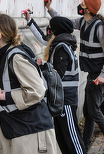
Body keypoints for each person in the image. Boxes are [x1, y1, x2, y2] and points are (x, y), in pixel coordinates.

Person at [0, 12, 57, 154]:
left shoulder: (16, 57)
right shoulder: (4, 53)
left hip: (29, 132)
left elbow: (38, 90)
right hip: (16, 128)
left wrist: (4, 95)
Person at [46, 0, 104, 154]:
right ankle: (84, 145)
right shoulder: (83, 22)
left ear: (89, 9)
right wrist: (49, 9)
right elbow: (63, 22)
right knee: (88, 112)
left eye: (83, 4)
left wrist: (103, 75)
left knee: (93, 112)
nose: (80, 5)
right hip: (92, 74)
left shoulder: (99, 27)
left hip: (98, 76)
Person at [23, 12, 87, 154]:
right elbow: (43, 38)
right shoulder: (59, 43)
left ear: (57, 30)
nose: (49, 30)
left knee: (72, 138)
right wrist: (29, 20)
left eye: (51, 27)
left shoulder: (62, 47)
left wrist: (44, 66)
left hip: (66, 100)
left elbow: (57, 74)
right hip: (60, 99)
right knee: (62, 138)